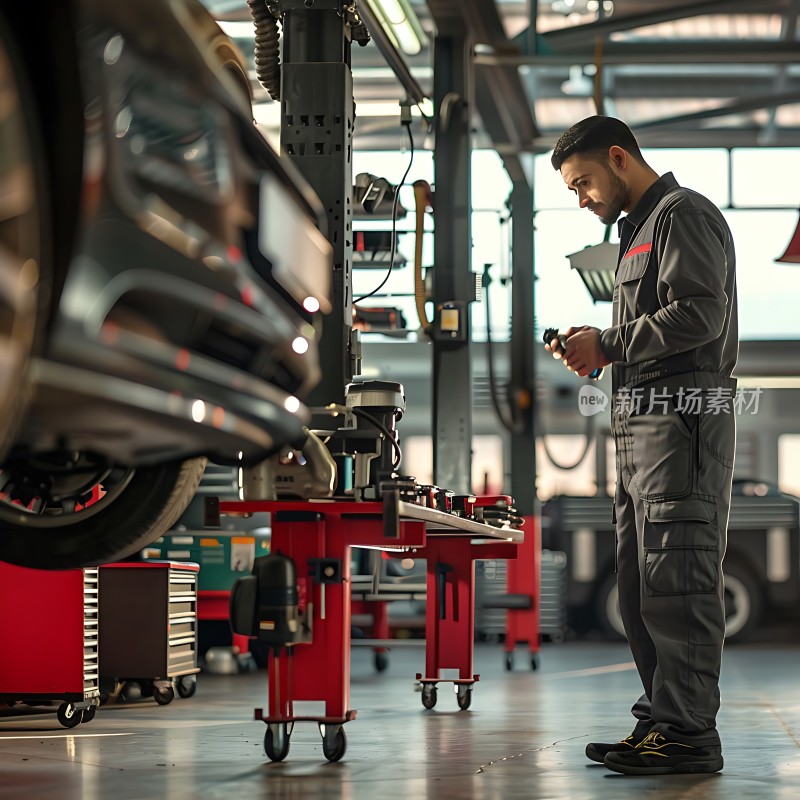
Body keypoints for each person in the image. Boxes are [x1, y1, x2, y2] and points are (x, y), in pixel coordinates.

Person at [547, 116, 738, 776]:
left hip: (680, 423)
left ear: (620, 158)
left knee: (678, 578)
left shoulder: (681, 215)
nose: (582, 200)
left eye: (584, 183)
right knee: (641, 585)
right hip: (640, 426)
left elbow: (699, 315)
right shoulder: (637, 233)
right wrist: (598, 346)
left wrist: (611, 343)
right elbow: (653, 325)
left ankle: (689, 733)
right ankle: (662, 719)